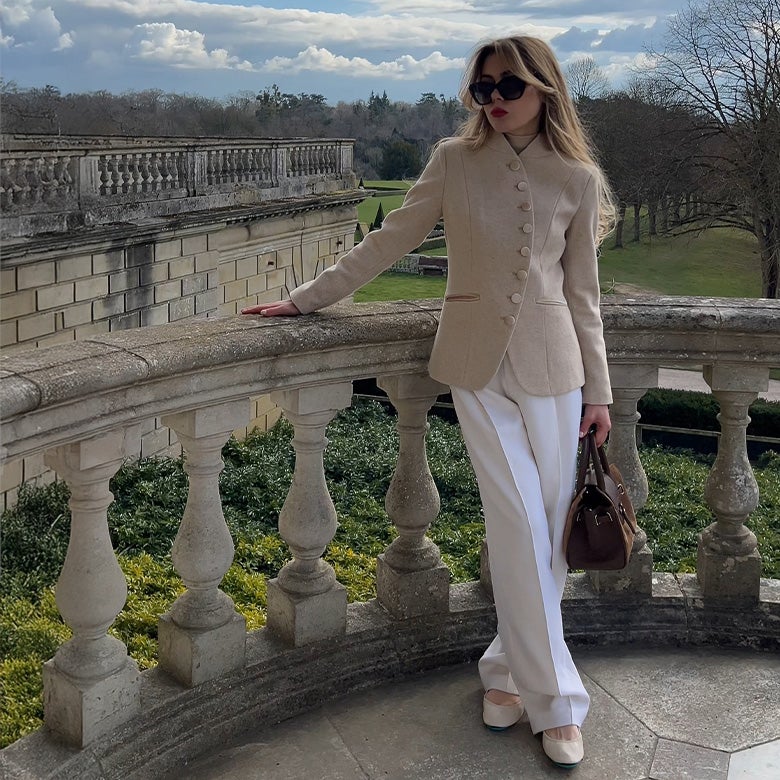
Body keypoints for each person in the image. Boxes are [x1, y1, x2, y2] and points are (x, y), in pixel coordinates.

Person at [242, 35, 614, 769]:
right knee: (517, 521)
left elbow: (584, 292)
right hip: (475, 365)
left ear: (544, 87)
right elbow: (389, 241)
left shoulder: (576, 176)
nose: (495, 99)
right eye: (483, 88)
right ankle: (559, 703)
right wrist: (306, 299)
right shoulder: (454, 160)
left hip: (555, 367)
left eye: (509, 85)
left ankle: (505, 671)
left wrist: (598, 390)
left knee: (547, 529)